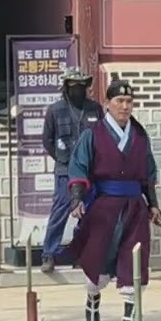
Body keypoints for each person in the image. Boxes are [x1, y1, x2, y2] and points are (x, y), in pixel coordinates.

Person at [64, 79, 161, 321]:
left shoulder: (139, 136)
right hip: (104, 206)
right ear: (107, 104)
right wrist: (77, 200)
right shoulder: (92, 135)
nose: (125, 106)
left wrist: (153, 204)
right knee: (98, 257)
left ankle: (130, 317)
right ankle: (93, 296)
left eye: (129, 102)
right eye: (119, 101)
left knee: (134, 258)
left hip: (134, 208)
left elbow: (148, 174)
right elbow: (78, 167)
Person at [39, 67, 103, 273]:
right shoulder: (55, 110)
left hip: (90, 172)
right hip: (65, 171)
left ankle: (81, 254)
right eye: (73, 85)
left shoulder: (95, 109)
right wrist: (62, 159)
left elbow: (102, 137)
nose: (78, 89)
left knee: (89, 213)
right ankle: (49, 254)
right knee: (60, 210)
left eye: (81, 85)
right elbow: (47, 140)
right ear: (66, 87)